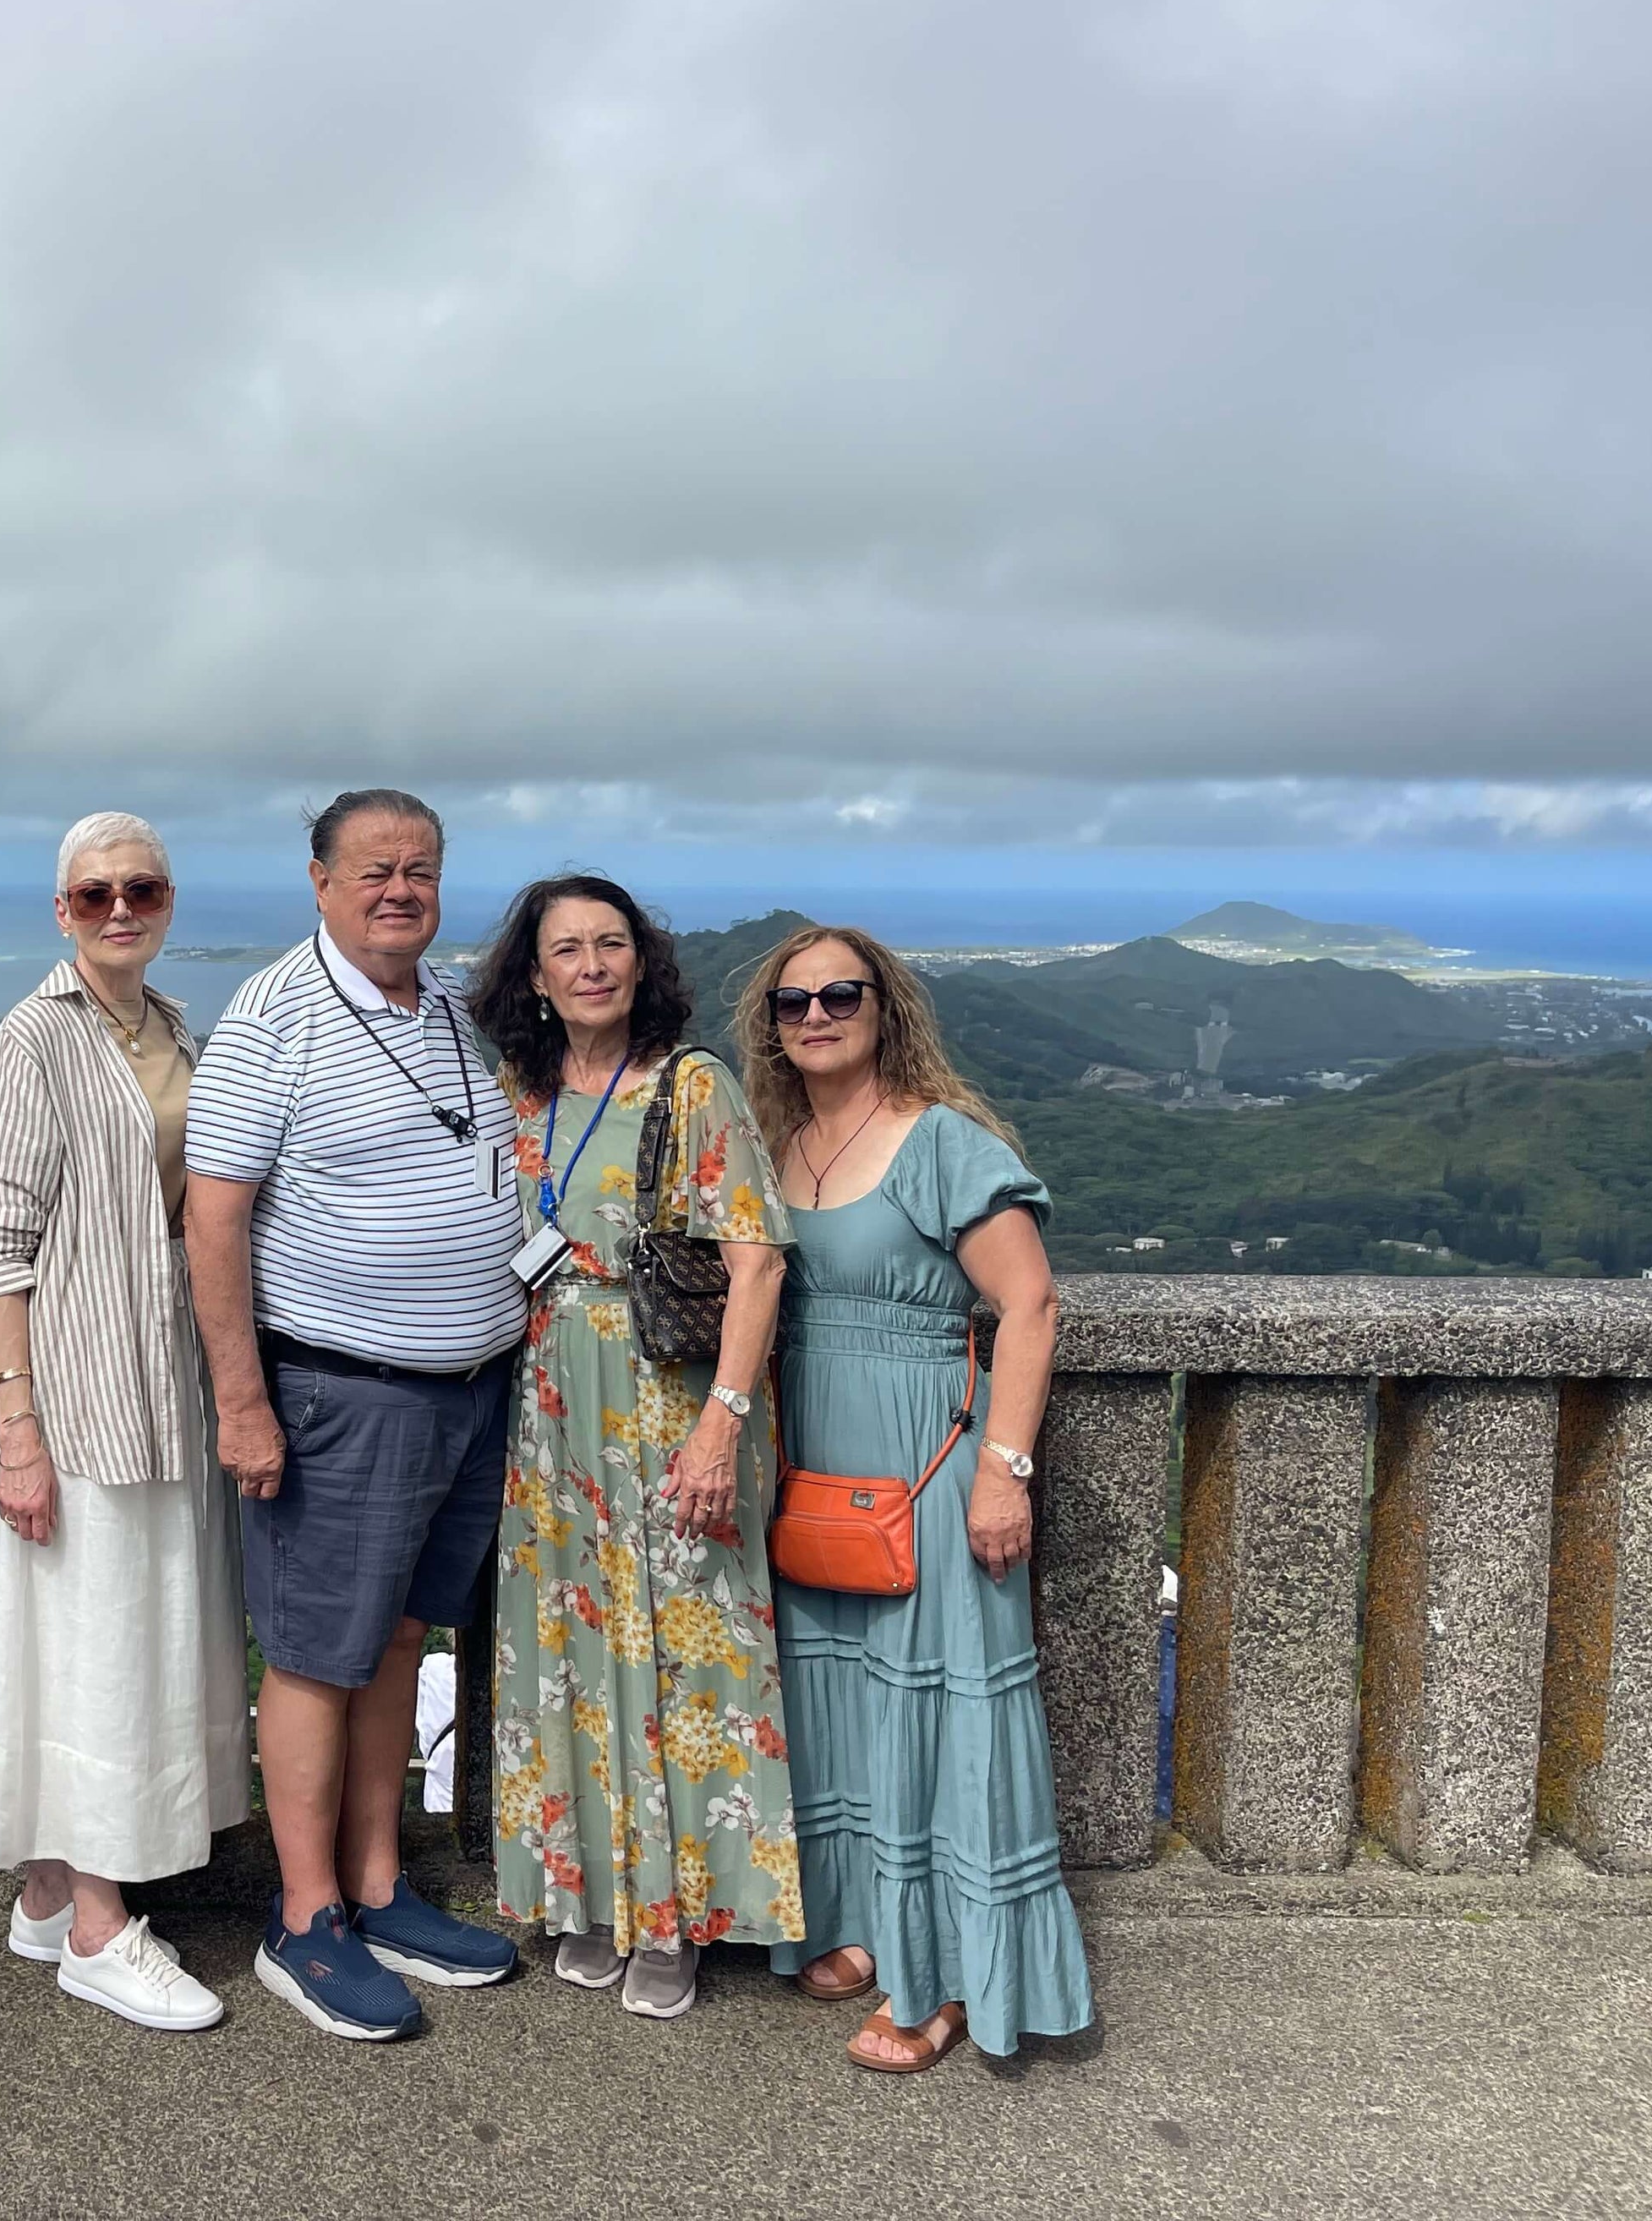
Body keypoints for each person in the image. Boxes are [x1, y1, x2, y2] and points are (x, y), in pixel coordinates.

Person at [183, 787, 528, 2043]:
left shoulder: (450, 1008)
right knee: (319, 1655)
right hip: (341, 1390)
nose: (400, 889)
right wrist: (243, 1405)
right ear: (320, 881)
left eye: (420, 869)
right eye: (374, 869)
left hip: (467, 1392)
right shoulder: (272, 1018)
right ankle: (305, 1915)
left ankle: (381, 1887)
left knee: (397, 1642)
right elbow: (213, 1219)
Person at [736, 925, 1092, 2071]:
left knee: (943, 1716)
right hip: (815, 1473)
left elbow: (1030, 1306)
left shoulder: (944, 1143)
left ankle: (946, 1983)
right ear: (771, 1026)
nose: (816, 1016)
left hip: (928, 1467)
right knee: (842, 1705)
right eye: (793, 1002)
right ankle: (862, 1925)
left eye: (841, 995)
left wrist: (1005, 1471)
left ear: (885, 1009)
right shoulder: (779, 1145)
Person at [468, 878, 801, 2021]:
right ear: (535, 976)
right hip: (550, 1399)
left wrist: (723, 1422)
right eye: (566, 949)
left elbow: (757, 1262)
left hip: (665, 1400)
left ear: (641, 961)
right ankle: (589, 1896)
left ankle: (679, 1915)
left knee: (684, 1652)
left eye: (611, 943)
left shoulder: (692, 1085)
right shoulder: (520, 1092)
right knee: (567, 1648)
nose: (592, 965)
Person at [0, 812, 246, 2033]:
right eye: (94, 894)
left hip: (158, 1380)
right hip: (71, 1396)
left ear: (168, 900)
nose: (120, 909)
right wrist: (17, 1430)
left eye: (142, 889)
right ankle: (98, 1926)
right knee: (97, 1655)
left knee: (113, 1643)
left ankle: (44, 1892)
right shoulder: (35, 1037)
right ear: (62, 910)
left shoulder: (173, 1026)